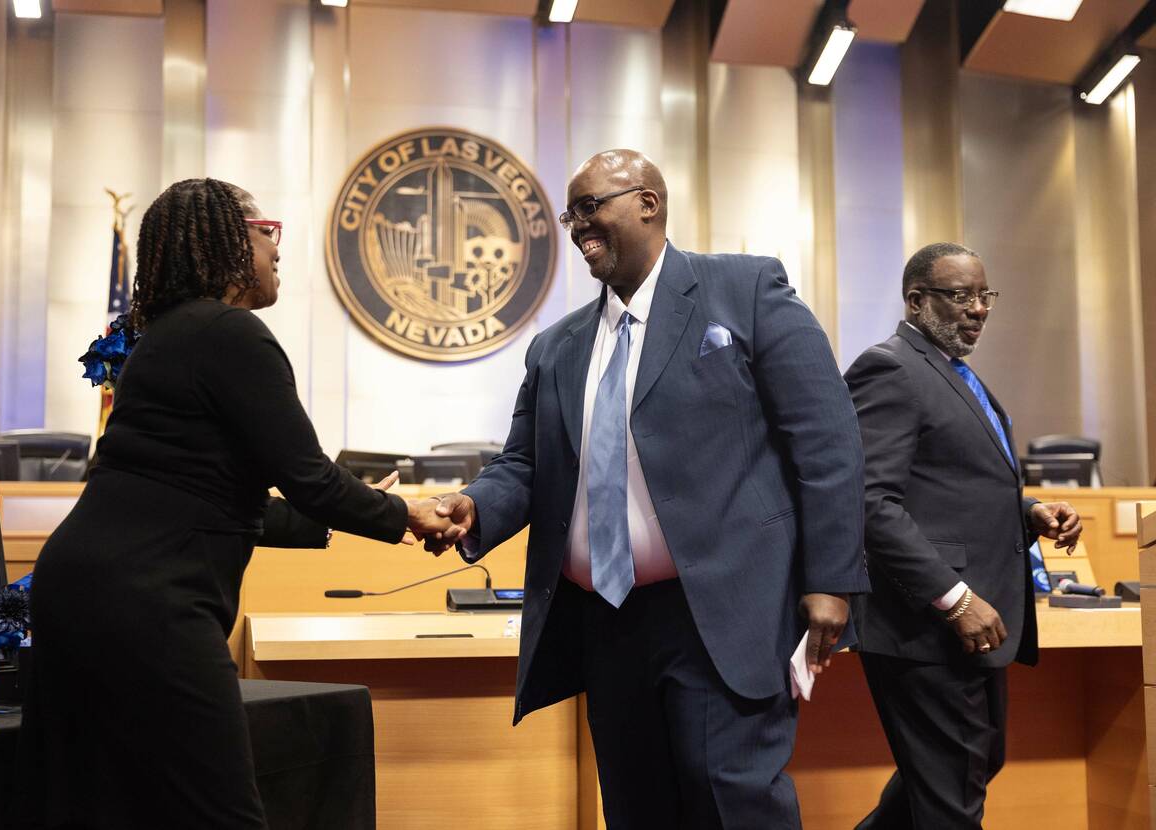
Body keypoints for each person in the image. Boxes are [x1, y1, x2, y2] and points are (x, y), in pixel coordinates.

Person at [427, 149, 868, 828]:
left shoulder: (745, 291)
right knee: (638, 811)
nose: (578, 227)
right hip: (607, 621)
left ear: (648, 203)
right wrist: (476, 506)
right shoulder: (557, 346)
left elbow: (827, 442)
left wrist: (831, 580)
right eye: (571, 214)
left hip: (722, 611)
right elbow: (525, 465)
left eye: (590, 207)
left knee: (734, 804)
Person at [17, 178, 456, 828]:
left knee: (109, 808)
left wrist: (330, 521)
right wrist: (408, 516)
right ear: (226, 239)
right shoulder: (231, 334)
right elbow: (309, 477)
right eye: (264, 229)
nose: (276, 247)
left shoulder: (163, 338)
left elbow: (198, 492)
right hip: (150, 606)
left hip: (78, 594)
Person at [843, 242, 1082, 828]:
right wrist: (954, 597)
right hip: (926, 624)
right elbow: (869, 502)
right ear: (917, 300)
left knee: (963, 771)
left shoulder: (952, 372)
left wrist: (1027, 514)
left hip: (974, 623)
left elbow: (948, 486)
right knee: (953, 794)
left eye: (984, 296)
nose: (977, 309)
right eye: (960, 296)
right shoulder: (891, 366)